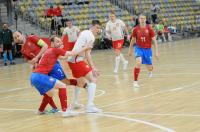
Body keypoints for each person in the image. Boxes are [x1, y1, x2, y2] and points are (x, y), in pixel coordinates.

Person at [13, 31, 78, 114]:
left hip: (50, 62)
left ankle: (81, 85)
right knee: (47, 89)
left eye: (18, 36)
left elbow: (45, 45)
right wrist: (33, 70)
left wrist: (37, 57)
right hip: (41, 69)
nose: (17, 38)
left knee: (64, 82)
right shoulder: (23, 50)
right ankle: (54, 108)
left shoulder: (31, 37)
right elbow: (31, 62)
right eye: (15, 38)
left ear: (22, 34)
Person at [30, 36, 88, 117]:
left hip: (34, 76)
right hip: (40, 76)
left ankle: (40, 110)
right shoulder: (54, 50)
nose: (60, 43)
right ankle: (65, 111)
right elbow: (73, 53)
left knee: (50, 93)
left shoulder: (50, 50)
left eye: (60, 41)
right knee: (62, 85)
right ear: (52, 43)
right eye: (57, 41)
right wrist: (85, 47)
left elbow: (63, 57)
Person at [67, 20, 102, 113]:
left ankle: (74, 102)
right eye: (97, 28)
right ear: (93, 27)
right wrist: (93, 67)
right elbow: (87, 54)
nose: (98, 30)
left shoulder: (84, 32)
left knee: (79, 83)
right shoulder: (91, 36)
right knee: (93, 79)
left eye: (99, 28)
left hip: (72, 60)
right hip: (76, 60)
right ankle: (90, 106)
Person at [128, 14, 159, 88]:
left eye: (143, 18)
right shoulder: (135, 29)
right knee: (138, 62)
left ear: (145, 19)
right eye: (141, 18)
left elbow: (154, 40)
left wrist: (156, 52)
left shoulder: (149, 28)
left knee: (150, 67)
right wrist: (130, 49)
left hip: (148, 49)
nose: (142, 20)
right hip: (139, 48)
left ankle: (150, 70)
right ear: (139, 19)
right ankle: (135, 82)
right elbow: (133, 39)